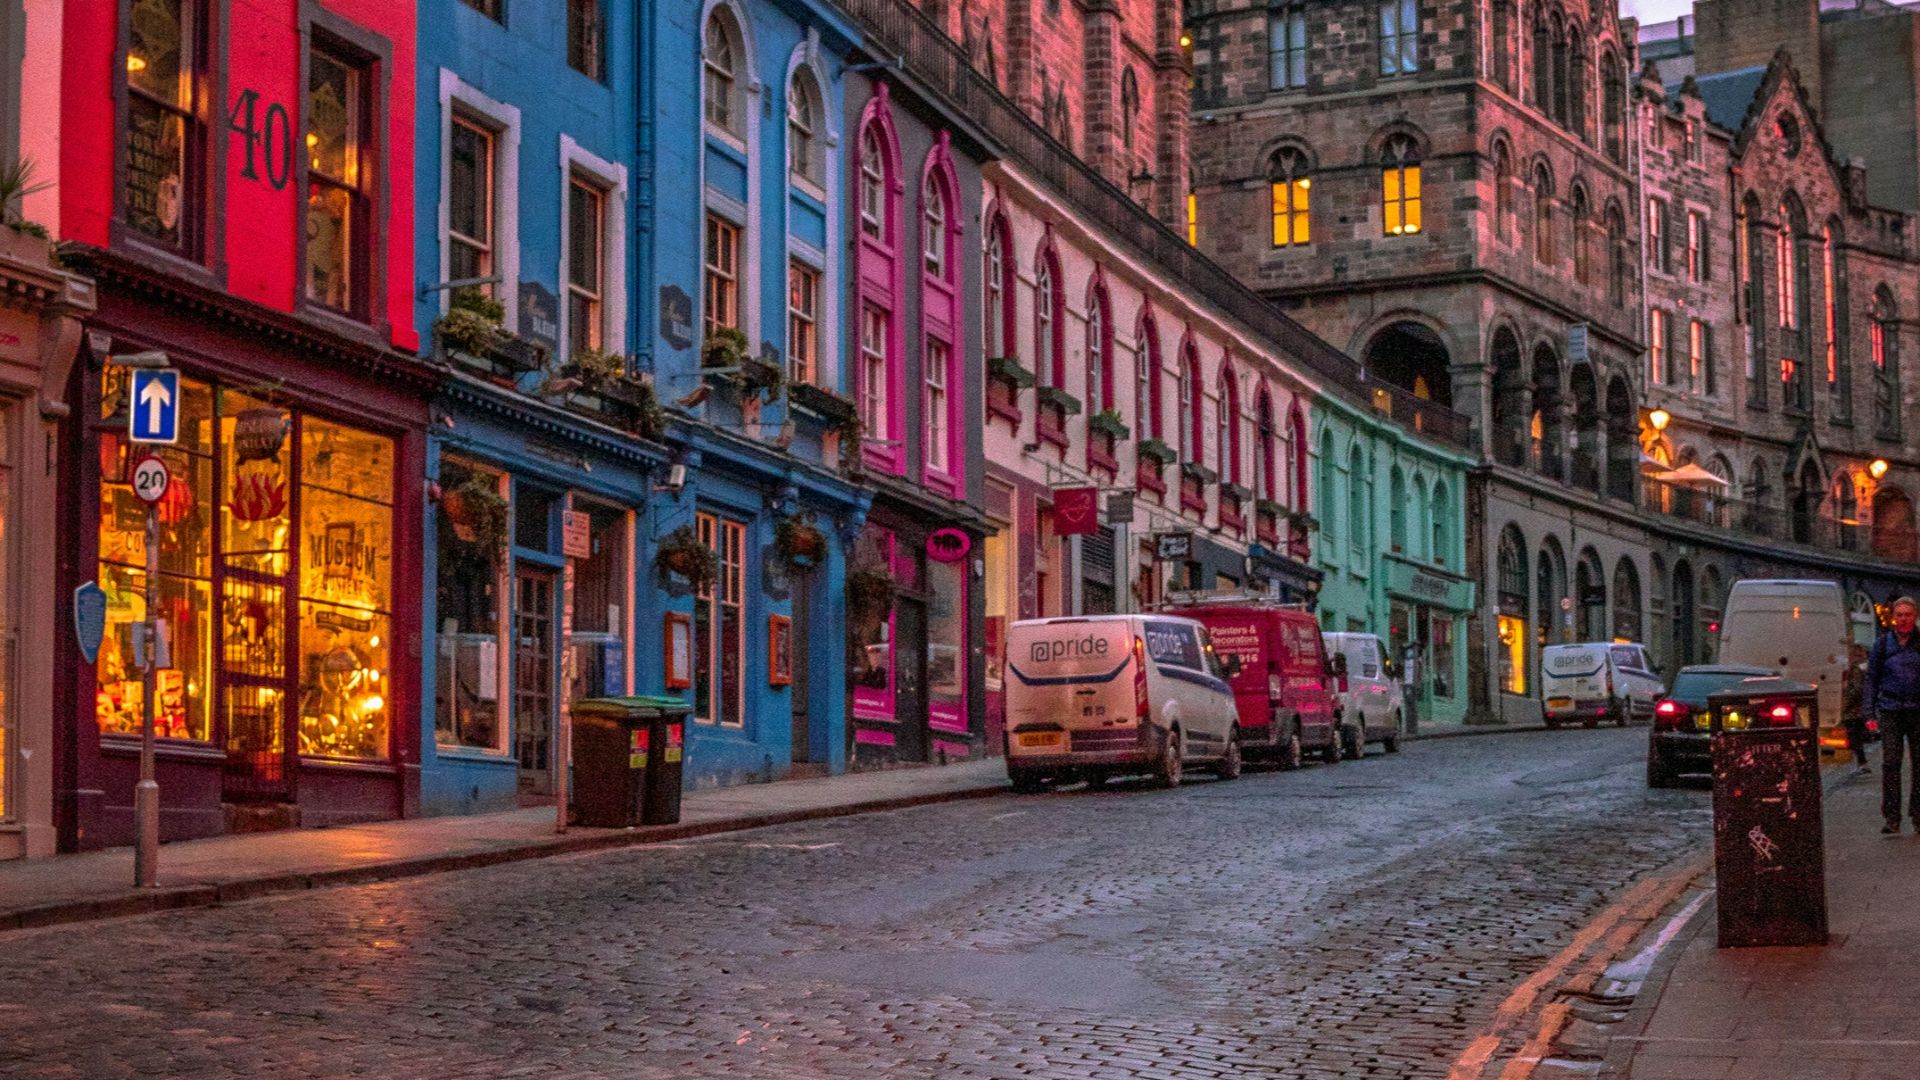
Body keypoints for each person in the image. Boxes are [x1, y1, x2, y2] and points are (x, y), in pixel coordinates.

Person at [1866, 597, 1920, 833]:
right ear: (1893, 617)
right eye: (1899, 614)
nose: (1903, 619)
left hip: (1917, 711)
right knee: (1890, 763)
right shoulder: (1883, 644)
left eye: (1908, 614)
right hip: (1890, 710)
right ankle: (1892, 817)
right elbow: (1872, 679)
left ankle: (1918, 815)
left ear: (1915, 616)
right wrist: (1868, 711)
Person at [1844, 642, 1871, 776]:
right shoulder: (1866, 665)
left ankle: (1862, 763)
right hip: (1863, 706)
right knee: (1858, 735)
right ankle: (1861, 763)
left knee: (1854, 736)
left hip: (1854, 709)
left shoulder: (1856, 667)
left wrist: (1846, 703)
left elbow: (1857, 688)